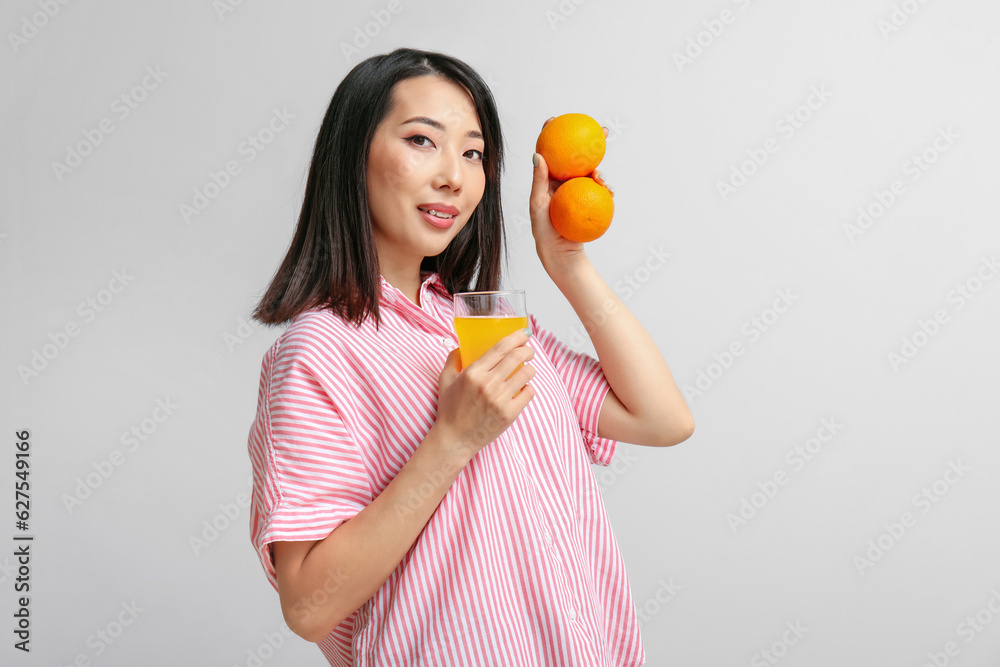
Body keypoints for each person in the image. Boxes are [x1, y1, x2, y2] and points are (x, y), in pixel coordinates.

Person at [247, 47, 694, 666]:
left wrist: (567, 264)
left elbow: (662, 418)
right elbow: (307, 606)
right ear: (352, 158)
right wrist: (453, 438)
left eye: (473, 152)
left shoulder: (483, 326)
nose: (454, 176)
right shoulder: (320, 350)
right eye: (422, 141)